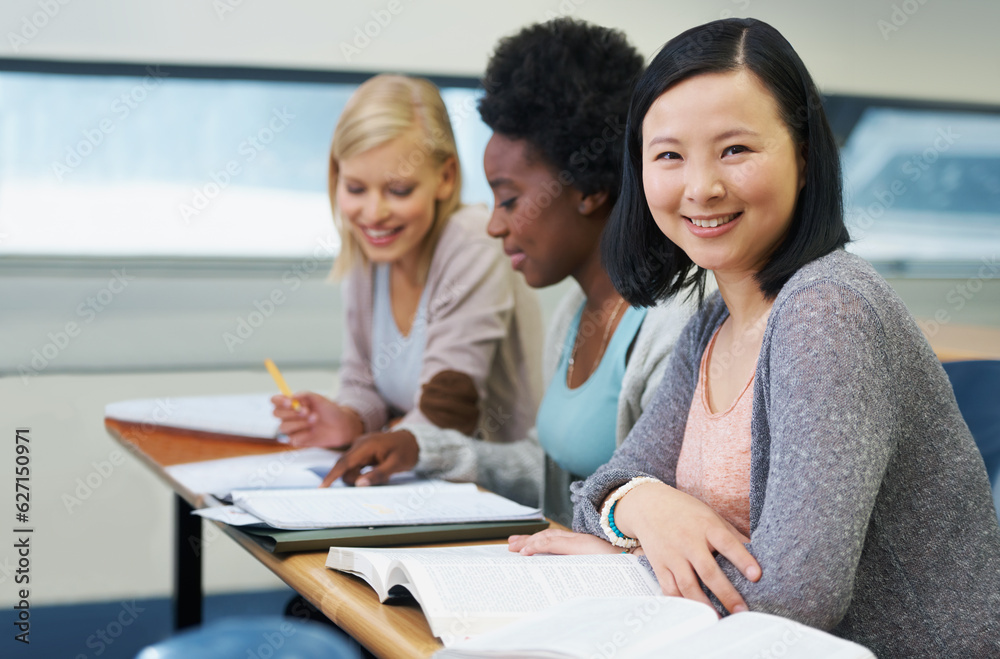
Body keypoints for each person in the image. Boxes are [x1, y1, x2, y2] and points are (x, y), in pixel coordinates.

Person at [509, 17, 1000, 657]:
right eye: (669, 155)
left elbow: (796, 598)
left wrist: (618, 564)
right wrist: (644, 505)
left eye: (735, 150)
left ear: (803, 154)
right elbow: (600, 490)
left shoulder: (829, 313)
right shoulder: (713, 319)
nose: (701, 186)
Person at [322, 19, 696, 524]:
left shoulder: (674, 325)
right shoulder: (573, 315)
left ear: (588, 187)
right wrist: (420, 450)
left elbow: (667, 514)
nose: (494, 226)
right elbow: (542, 469)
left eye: (510, 199)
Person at [273, 74, 543, 460]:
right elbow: (361, 382)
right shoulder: (368, 249)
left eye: (398, 190)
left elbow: (447, 414)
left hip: (494, 488)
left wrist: (378, 442)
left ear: (445, 178)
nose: (373, 214)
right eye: (355, 188)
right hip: (418, 478)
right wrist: (348, 419)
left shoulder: (472, 244)